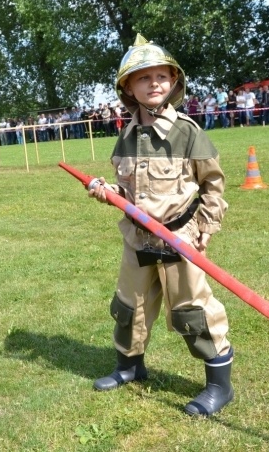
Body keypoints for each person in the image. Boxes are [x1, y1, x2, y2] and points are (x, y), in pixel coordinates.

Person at [87, 34, 233, 417]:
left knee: (193, 311)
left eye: (161, 76)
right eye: (143, 78)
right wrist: (109, 190)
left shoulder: (188, 132)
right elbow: (127, 187)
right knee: (128, 308)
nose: (154, 83)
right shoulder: (126, 134)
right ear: (128, 89)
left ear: (174, 82)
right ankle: (129, 368)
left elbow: (213, 185)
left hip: (179, 240)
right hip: (137, 241)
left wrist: (205, 227)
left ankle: (219, 386)